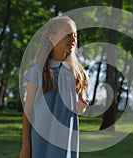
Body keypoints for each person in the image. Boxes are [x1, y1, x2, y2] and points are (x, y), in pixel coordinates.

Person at [20, 16, 89, 158]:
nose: (73, 39)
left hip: (66, 142)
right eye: (68, 35)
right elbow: (28, 112)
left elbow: (78, 108)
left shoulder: (76, 74)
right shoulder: (38, 72)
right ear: (52, 38)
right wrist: (26, 146)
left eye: (75, 35)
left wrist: (81, 107)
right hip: (42, 142)